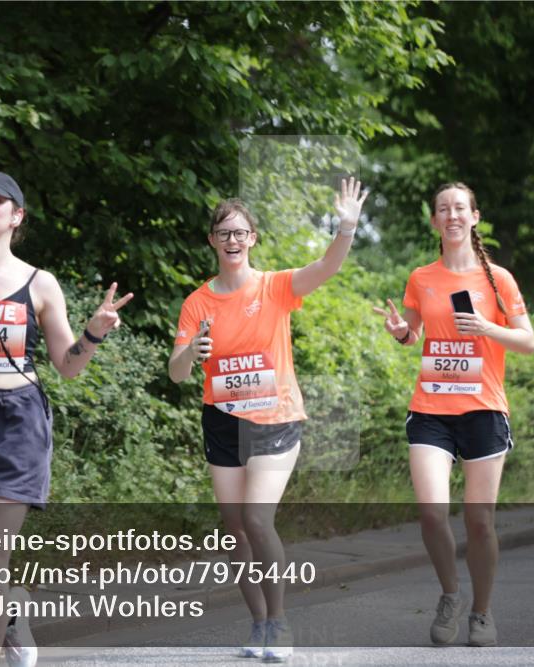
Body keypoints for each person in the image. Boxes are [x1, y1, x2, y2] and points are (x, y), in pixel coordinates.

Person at [0, 169, 132, 667]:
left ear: (16, 216)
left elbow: (68, 366)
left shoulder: (40, 283)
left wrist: (95, 332)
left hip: (16, 420)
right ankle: (11, 620)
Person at [168, 178, 368, 662]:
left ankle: (279, 623)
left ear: (252, 238)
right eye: (224, 234)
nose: (232, 241)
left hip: (275, 418)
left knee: (258, 519)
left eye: (241, 233)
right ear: (212, 241)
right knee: (234, 526)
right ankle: (257, 623)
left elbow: (325, 268)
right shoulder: (198, 302)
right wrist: (192, 351)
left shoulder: (275, 287)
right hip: (221, 419)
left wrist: (345, 227)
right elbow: (176, 373)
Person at [374, 183, 534, 647]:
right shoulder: (421, 277)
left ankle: (482, 612)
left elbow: (527, 341)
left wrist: (487, 327)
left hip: (484, 408)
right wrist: (403, 333)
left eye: (459, 208)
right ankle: (450, 595)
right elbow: (413, 333)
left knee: (479, 520)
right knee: (430, 512)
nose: (451, 215)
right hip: (431, 408)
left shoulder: (498, 279)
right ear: (434, 222)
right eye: (443, 209)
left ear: (474, 217)